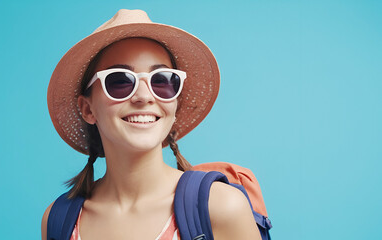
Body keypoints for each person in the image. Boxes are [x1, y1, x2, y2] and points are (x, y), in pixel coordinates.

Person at [41, 9, 261, 240]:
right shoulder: (59, 221)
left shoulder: (222, 207)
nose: (144, 96)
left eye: (162, 81)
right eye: (119, 81)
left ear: (175, 103)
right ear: (88, 109)